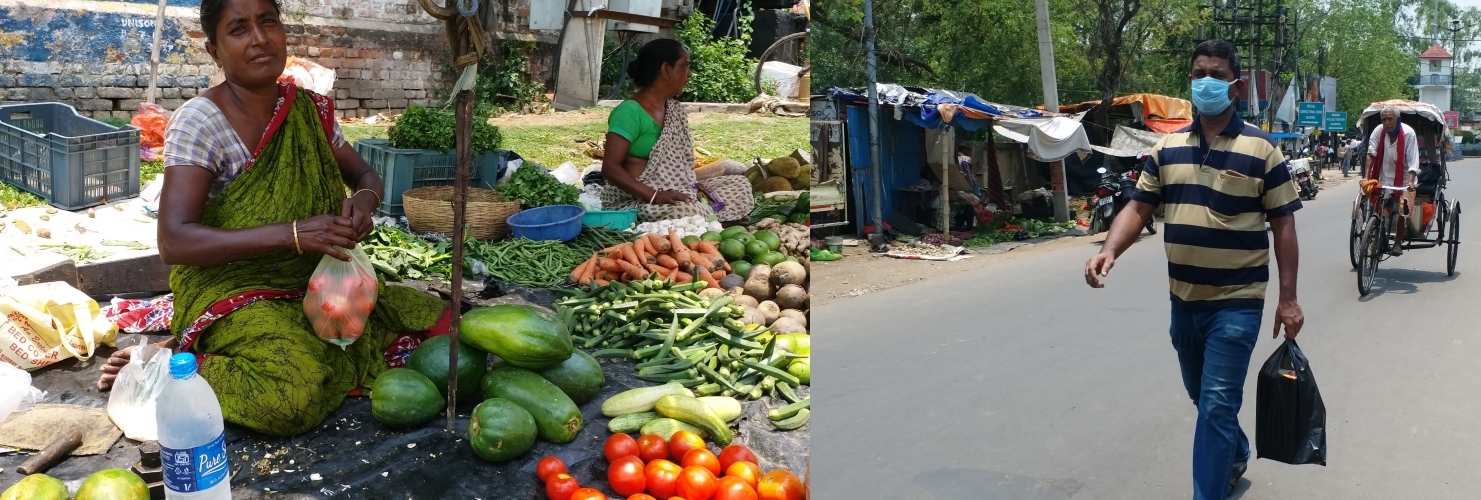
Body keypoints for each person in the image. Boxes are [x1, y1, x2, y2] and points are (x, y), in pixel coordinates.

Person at [96, 0, 447, 437]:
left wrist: (364, 202)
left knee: (446, 327)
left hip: (318, 283)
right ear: (214, 50)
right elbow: (175, 241)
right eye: (239, 29)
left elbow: (364, 174)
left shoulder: (309, 111)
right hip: (235, 289)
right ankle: (171, 364)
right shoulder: (200, 121)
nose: (259, 38)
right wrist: (294, 234)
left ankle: (185, 348)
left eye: (268, 22)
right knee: (292, 395)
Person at [1082, 39, 1304, 500]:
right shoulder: (1167, 148)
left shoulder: (1261, 149)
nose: (1207, 81)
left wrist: (1287, 298)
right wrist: (1109, 250)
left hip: (1236, 304)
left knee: (1217, 403)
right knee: (1203, 398)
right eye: (1199, 72)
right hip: (1182, 301)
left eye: (1217, 75)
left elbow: (1284, 226)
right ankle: (1236, 450)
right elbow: (1139, 207)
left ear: (1235, 86)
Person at [600, 39, 755, 225]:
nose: (689, 74)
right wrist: (654, 195)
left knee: (740, 185)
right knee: (685, 210)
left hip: (678, 191)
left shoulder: (674, 109)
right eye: (684, 67)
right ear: (666, 69)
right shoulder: (630, 112)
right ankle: (708, 219)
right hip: (638, 198)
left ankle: (704, 218)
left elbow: (683, 169)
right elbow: (610, 168)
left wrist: (686, 191)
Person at [1363, 106, 1420, 256]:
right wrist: (1366, 177)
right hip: (1384, 176)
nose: (1387, 123)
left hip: (1406, 178)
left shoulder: (1408, 133)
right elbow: (1371, 154)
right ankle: (1376, 233)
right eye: (1384, 119)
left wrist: (1411, 182)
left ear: (1397, 119)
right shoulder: (1378, 131)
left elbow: (1414, 161)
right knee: (1378, 205)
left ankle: (1397, 243)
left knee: (1404, 209)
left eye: (1390, 119)